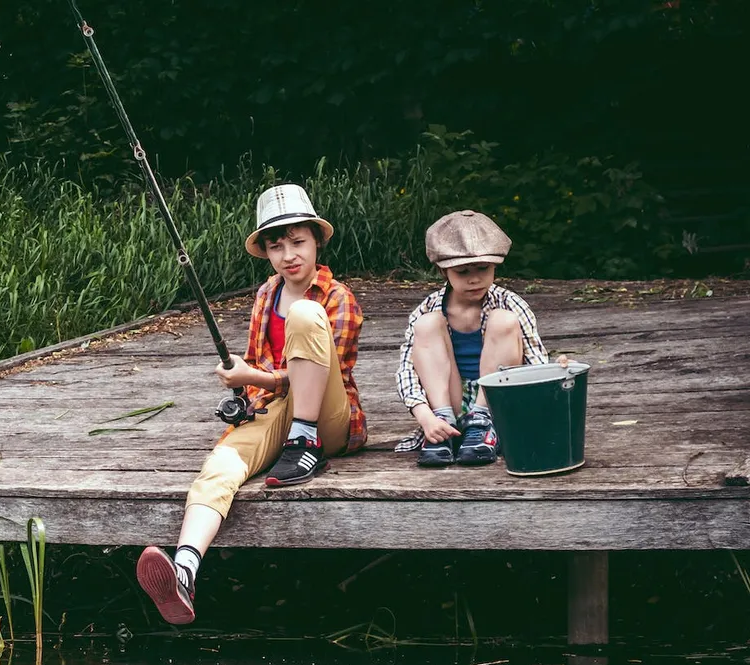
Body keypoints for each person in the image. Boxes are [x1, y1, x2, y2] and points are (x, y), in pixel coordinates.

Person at [135, 184, 366, 625]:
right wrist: (244, 387)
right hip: (277, 407)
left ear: (317, 242)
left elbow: (316, 371)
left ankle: (305, 444)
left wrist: (253, 376)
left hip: (328, 421)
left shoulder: (338, 298)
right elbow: (264, 373)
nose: (288, 255)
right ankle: (185, 570)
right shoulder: (266, 295)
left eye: (298, 242)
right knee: (219, 466)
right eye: (276, 247)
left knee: (303, 316)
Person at [394, 209, 551, 466]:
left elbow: (537, 363)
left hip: (498, 404)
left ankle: (482, 424)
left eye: (482, 268)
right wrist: (425, 417)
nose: (475, 279)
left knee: (503, 320)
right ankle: (444, 423)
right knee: (427, 324)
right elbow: (407, 370)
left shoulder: (510, 303)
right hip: (448, 398)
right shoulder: (429, 306)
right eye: (463, 272)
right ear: (444, 272)